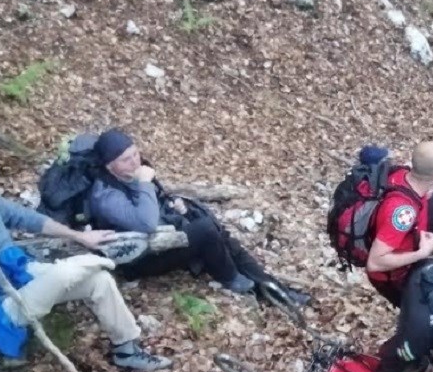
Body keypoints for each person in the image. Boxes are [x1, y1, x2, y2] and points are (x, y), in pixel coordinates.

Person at [0, 147, 170, 371]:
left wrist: (79, 236)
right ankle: (95, 260)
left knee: (100, 281)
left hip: (21, 276)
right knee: (67, 273)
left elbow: (30, 220)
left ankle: (126, 350)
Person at [85, 129, 309, 309]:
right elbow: (146, 223)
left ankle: (275, 289)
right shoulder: (105, 196)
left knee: (218, 231)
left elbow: (156, 203)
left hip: (161, 239)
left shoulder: (129, 174)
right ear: (109, 166)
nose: (135, 162)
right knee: (205, 230)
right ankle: (234, 279)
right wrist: (144, 182)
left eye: (135, 154)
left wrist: (178, 209)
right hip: (139, 259)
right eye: (126, 159)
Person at [364, 141, 433, 307]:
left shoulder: (401, 173)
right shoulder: (402, 214)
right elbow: (374, 263)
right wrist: (421, 253)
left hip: (404, 247)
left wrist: (424, 193)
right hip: (394, 277)